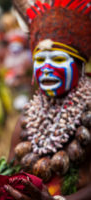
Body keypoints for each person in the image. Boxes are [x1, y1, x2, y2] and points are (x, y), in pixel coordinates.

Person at [5, 0, 91, 199]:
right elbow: (10, 175)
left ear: (80, 66)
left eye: (59, 59)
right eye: (40, 60)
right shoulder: (26, 121)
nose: (46, 68)